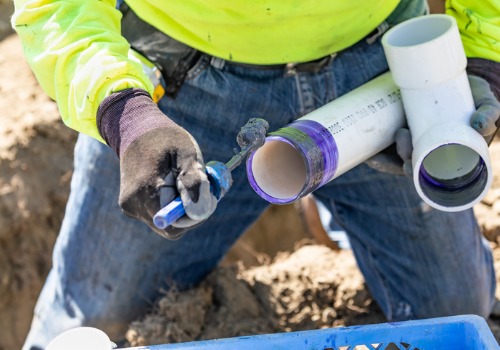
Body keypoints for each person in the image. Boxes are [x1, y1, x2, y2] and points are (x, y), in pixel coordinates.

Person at [11, 0, 500, 348]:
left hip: (381, 69)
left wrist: (482, 59)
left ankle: (329, 189)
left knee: (455, 308)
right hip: (186, 81)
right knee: (95, 319)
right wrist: (128, 117)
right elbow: (54, 6)